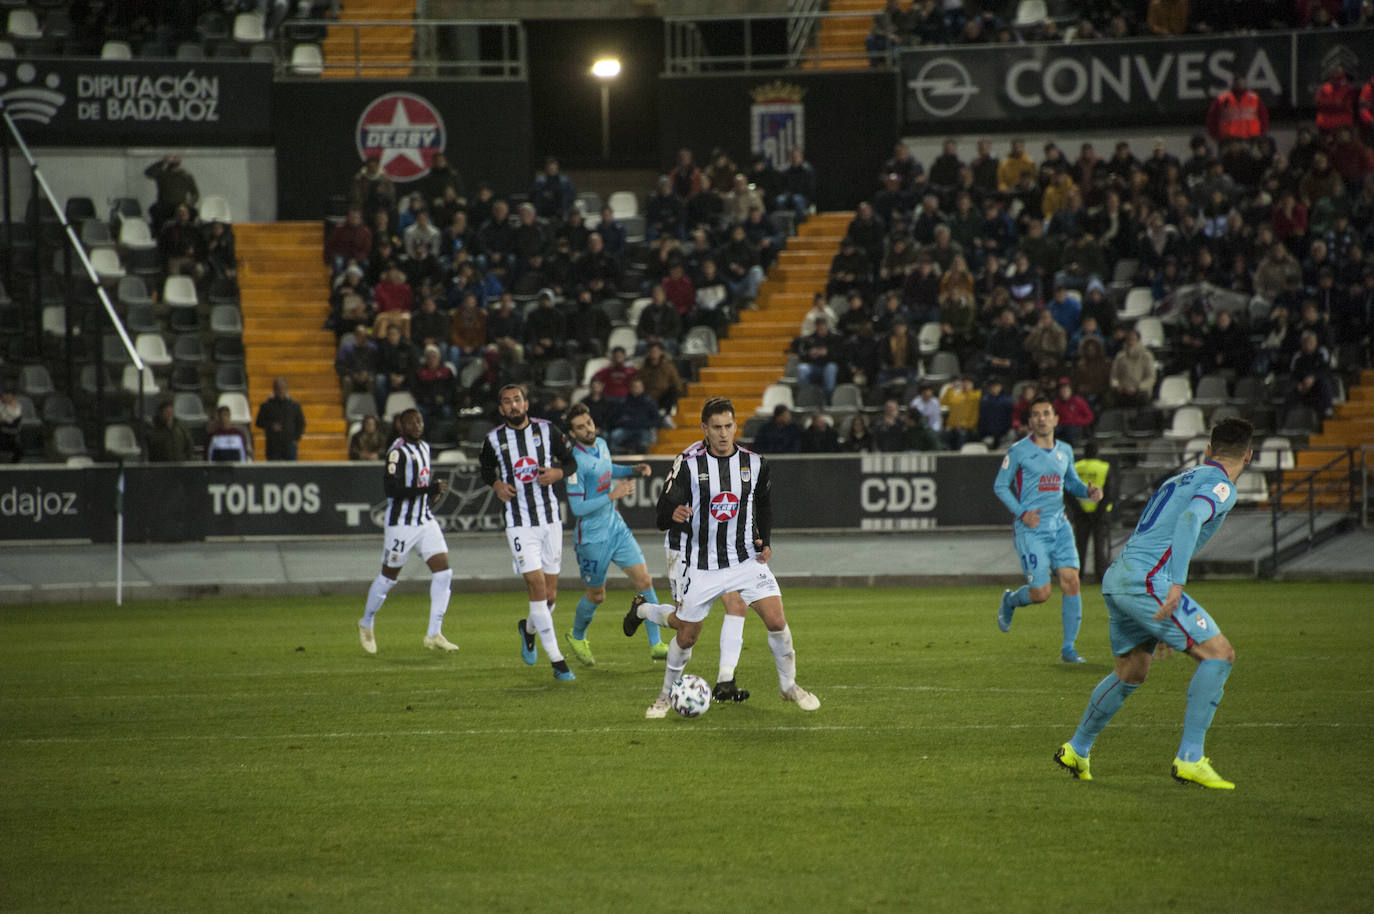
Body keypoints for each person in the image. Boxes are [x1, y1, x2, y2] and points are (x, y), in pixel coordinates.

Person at [1055, 418, 1253, 790]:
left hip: (1122, 577)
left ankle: (1076, 749)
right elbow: (1193, 517)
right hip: (1151, 581)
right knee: (1218, 654)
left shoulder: (1178, 479)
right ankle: (1190, 758)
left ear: (1208, 451)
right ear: (1249, 455)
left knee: (1131, 671)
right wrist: (1175, 586)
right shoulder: (1221, 484)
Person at [624, 397, 821, 718]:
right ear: (704, 428)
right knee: (686, 636)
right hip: (699, 563)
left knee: (776, 620)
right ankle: (664, 694)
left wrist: (764, 539)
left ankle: (788, 686)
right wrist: (672, 513)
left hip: (743, 559)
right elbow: (661, 512)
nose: (723, 433)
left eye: (728, 426)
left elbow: (764, 504)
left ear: (735, 426)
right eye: (716, 427)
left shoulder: (754, 462)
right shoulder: (688, 463)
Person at [479, 384, 579, 681]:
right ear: (501, 409)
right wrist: (495, 484)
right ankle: (558, 661)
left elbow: (571, 461)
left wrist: (559, 473)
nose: (513, 405)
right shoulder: (493, 439)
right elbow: (485, 469)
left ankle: (529, 628)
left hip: (549, 521)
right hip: (518, 522)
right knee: (536, 587)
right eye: (507, 402)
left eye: (517, 400)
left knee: (549, 597)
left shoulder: (548, 431)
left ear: (526, 403)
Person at [993, 395, 1104, 663]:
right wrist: (1022, 513)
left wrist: (1088, 491)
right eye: (1036, 414)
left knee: (1072, 581)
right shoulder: (1019, 451)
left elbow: (1072, 483)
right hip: (1031, 529)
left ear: (1055, 419)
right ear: (1030, 421)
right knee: (1041, 594)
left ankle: (1068, 649)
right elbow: (999, 486)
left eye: (1046, 413)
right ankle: (1010, 601)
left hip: (1060, 524)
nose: (1042, 418)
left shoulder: (1064, 450)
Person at [562, 402, 669, 665]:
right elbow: (577, 507)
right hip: (592, 539)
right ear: (572, 434)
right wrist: (613, 494)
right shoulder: (573, 462)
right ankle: (577, 636)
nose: (587, 429)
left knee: (644, 581)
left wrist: (633, 470)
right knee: (597, 595)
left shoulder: (601, 443)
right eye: (580, 427)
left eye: (588, 423)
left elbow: (609, 470)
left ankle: (656, 644)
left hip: (616, 529)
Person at [357, 408, 458, 655]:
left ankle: (434, 633)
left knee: (444, 572)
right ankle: (366, 622)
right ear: (401, 426)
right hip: (401, 525)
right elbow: (392, 490)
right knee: (389, 578)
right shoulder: (397, 452)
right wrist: (426, 490)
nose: (417, 425)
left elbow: (420, 487)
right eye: (411, 422)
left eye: (420, 420)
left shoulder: (424, 447)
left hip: (424, 520)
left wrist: (432, 494)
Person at [1066, 441, 1112, 582]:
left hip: (1080, 513)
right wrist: (1099, 510)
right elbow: (1109, 491)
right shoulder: (1104, 467)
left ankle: (1077, 575)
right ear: (1097, 452)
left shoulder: (1076, 467)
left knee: (1079, 546)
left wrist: (1077, 509)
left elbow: (1068, 491)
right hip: (1100, 514)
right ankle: (1101, 575)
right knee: (1099, 546)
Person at [255, 377, 306, 461]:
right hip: (273, 446)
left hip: (289, 444)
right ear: (274, 389)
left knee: (291, 471)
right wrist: (271, 425)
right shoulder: (266, 406)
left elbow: (301, 423)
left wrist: (296, 438)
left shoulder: (294, 405)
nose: (280, 390)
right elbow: (258, 422)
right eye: (278, 388)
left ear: (287, 388)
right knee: (273, 472)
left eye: (283, 388)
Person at [144, 153, 199, 229]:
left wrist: (187, 204)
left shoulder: (186, 176)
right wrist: (162, 162)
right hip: (164, 205)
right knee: (154, 211)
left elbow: (195, 194)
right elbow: (148, 173)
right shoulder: (162, 175)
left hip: (180, 205)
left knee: (193, 213)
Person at [0, 389, 24, 462]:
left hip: (12, 432)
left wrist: (5, 418)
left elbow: (15, 418)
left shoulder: (16, 406)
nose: (7, 398)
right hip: (1, 431)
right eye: (5, 396)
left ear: (13, 397)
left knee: (18, 449)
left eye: (9, 396)